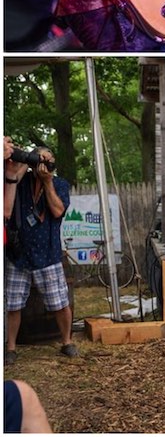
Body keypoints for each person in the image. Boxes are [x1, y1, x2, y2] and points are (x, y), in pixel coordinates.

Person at [4, 145, 77, 362]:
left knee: (60, 302)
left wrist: (46, 182)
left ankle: (67, 341)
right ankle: (11, 347)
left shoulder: (60, 184)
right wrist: (28, 160)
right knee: (13, 304)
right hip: (18, 255)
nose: (44, 164)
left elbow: (57, 211)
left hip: (48, 253)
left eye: (48, 159)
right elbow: (9, 184)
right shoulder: (22, 180)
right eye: (40, 159)